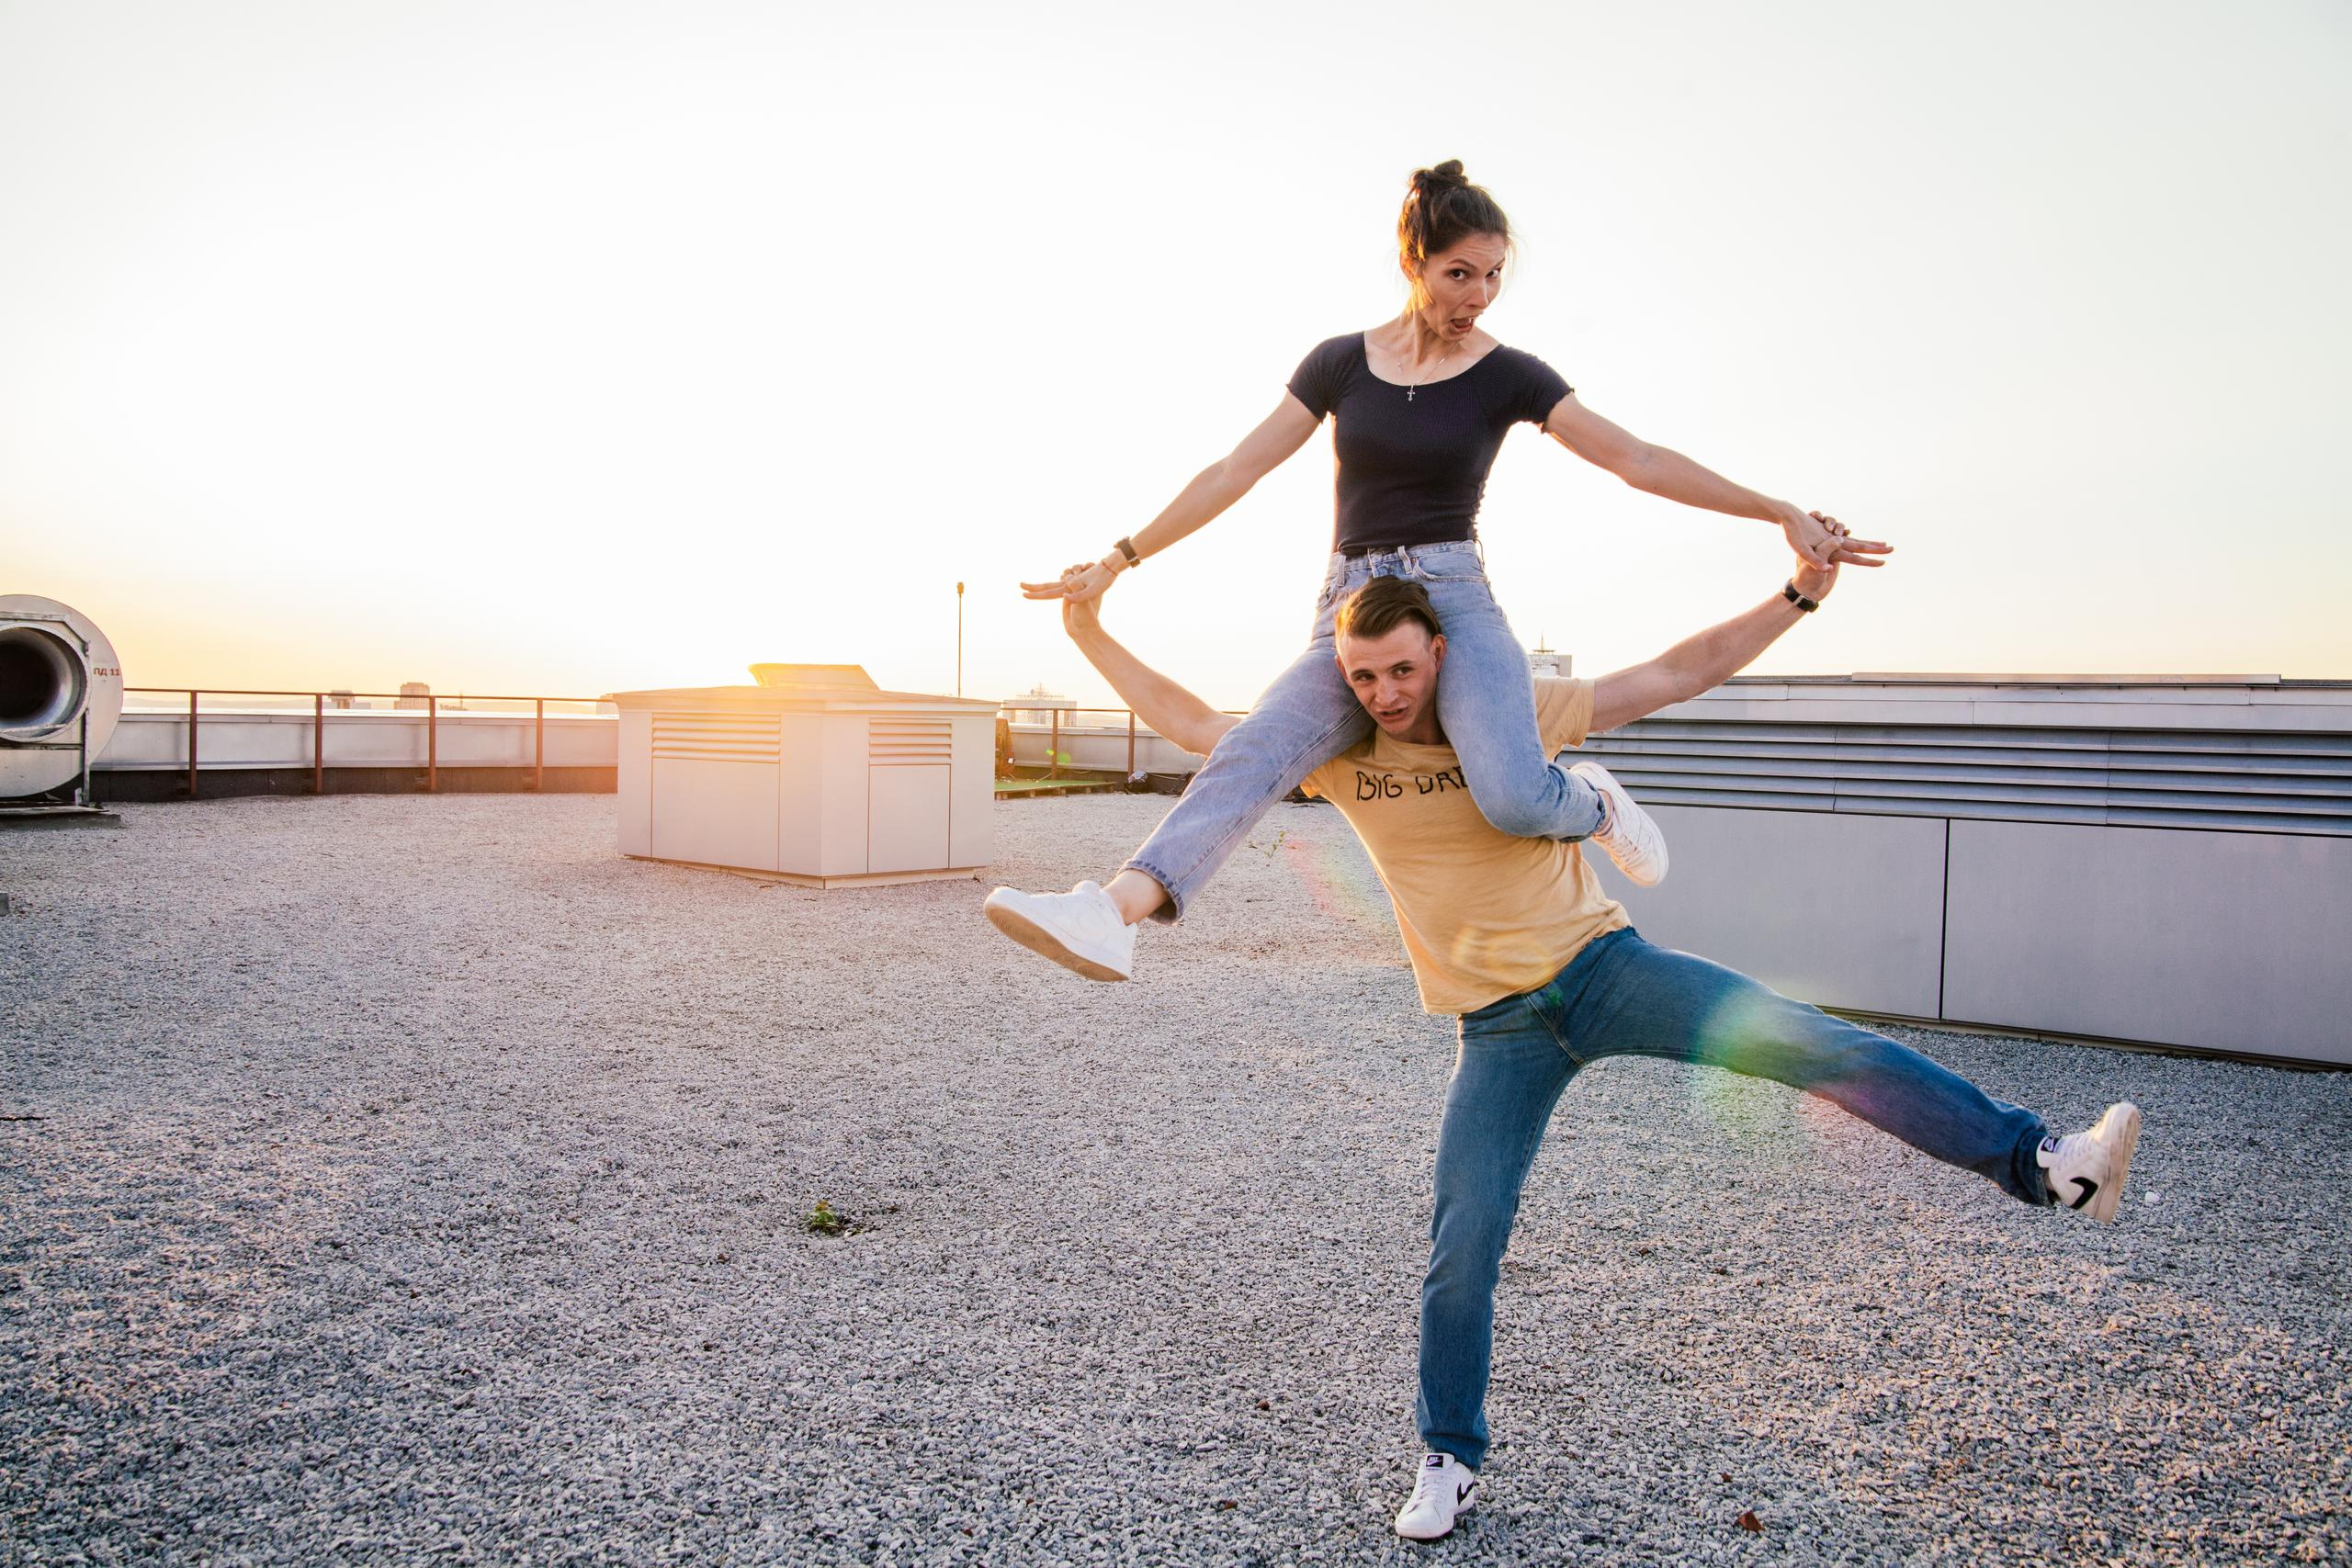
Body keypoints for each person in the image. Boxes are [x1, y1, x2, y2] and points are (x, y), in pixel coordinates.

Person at [1042, 552, 2143, 1543]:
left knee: (1807, 1044)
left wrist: (1798, 594)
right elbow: (1196, 726)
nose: (1384, 693)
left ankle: (2045, 1164)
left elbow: (1672, 673)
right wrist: (1088, 627)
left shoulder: (1512, 717)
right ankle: (1448, 1458)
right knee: (1460, 1242)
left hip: (1608, 975)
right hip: (1500, 1030)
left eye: (1400, 670)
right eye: (1362, 676)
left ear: (1438, 652)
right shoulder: (1338, 755)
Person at [984, 159, 1890, 982]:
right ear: (1413, 262)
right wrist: (1120, 557)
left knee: (1509, 794)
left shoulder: (1510, 375)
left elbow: (1638, 459)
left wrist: (1776, 509)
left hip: (1454, 598)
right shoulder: (1340, 364)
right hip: (1350, 605)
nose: (1481, 295)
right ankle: (1111, 911)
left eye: (1495, 274)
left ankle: (1592, 801)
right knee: (1247, 749)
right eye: (1461, 272)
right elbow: (1236, 469)